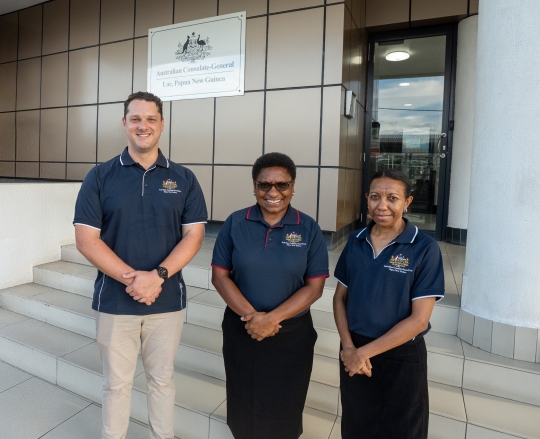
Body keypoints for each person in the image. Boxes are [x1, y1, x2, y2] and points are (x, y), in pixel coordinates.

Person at [73, 91, 207, 439]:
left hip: (167, 302)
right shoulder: (99, 176)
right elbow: (86, 240)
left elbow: (193, 236)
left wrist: (158, 276)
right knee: (116, 385)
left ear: (161, 124)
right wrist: (135, 280)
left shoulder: (184, 178)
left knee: (162, 381)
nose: (142, 126)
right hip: (115, 302)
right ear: (124, 123)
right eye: (135, 119)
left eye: (150, 119)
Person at [211, 152, 329, 439]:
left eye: (282, 185)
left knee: (286, 399)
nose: (273, 192)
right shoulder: (235, 222)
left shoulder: (308, 228)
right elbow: (219, 276)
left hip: (291, 333)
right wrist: (253, 319)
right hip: (243, 329)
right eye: (264, 185)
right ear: (254, 187)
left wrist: (272, 319)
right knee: (243, 396)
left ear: (293, 187)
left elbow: (315, 287)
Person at [333, 168, 444, 439]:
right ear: (367, 199)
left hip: (402, 355)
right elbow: (339, 298)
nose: (382, 205)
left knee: (403, 431)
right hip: (354, 350)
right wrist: (349, 348)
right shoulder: (355, 241)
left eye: (392, 198)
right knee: (357, 427)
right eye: (375, 197)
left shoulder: (424, 248)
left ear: (407, 202)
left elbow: (419, 320)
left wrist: (363, 353)